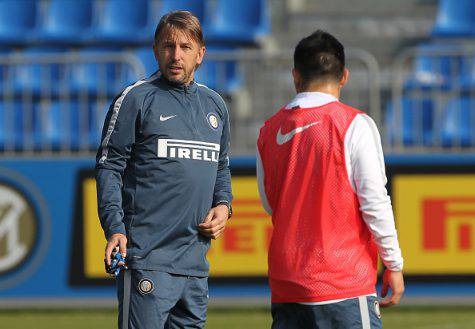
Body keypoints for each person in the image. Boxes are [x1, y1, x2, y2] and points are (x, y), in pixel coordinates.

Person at [257, 30, 404, 329]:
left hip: (287, 284)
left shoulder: (269, 130)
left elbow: (270, 203)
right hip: (344, 284)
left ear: (295, 76)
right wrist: (393, 263)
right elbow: (374, 201)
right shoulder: (354, 124)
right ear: (344, 76)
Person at [95, 10, 232, 329]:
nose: (176, 55)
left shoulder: (215, 107)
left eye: (185, 47)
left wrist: (224, 206)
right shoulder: (136, 99)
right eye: (168, 46)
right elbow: (109, 167)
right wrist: (115, 227)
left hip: (195, 267)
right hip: (146, 260)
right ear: (156, 50)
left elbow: (220, 167)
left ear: (200, 54)